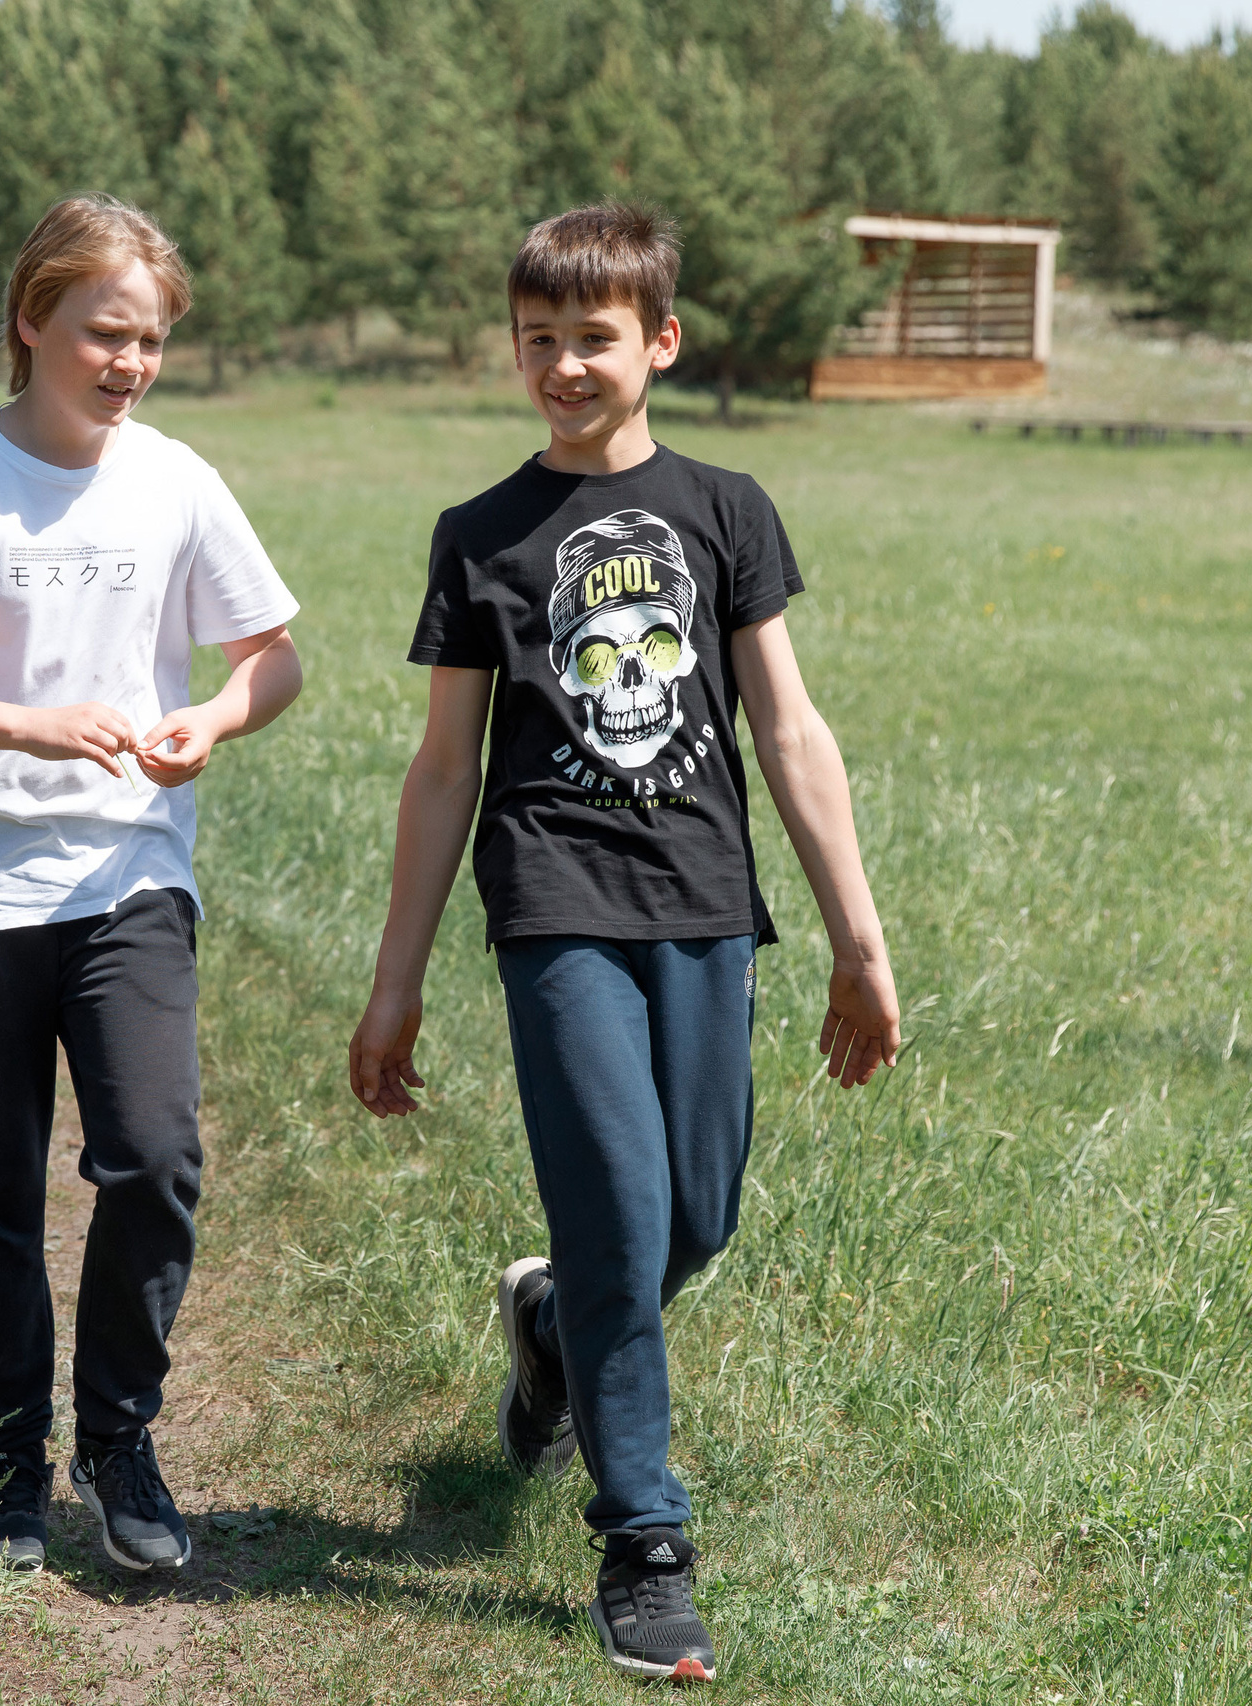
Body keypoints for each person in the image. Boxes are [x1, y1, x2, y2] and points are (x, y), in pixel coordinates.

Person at [345, 202, 901, 1684]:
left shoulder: (726, 510)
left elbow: (789, 728)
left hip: (706, 905)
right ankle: (643, 1544)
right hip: (554, 908)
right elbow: (444, 771)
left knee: (693, 1220)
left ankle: (552, 1325)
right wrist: (396, 981)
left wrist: (857, 939)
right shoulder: (480, 536)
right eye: (537, 338)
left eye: (593, 337)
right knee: (613, 1215)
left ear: (661, 341)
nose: (564, 365)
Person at [0, 195, 302, 1576]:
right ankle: (10, 1462)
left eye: (149, 340)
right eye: (104, 333)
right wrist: (21, 725)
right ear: (32, 320)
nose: (130, 363)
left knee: (155, 1154)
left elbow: (272, 655)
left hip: (127, 869)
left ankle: (120, 1436)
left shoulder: (176, 481)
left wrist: (215, 716)